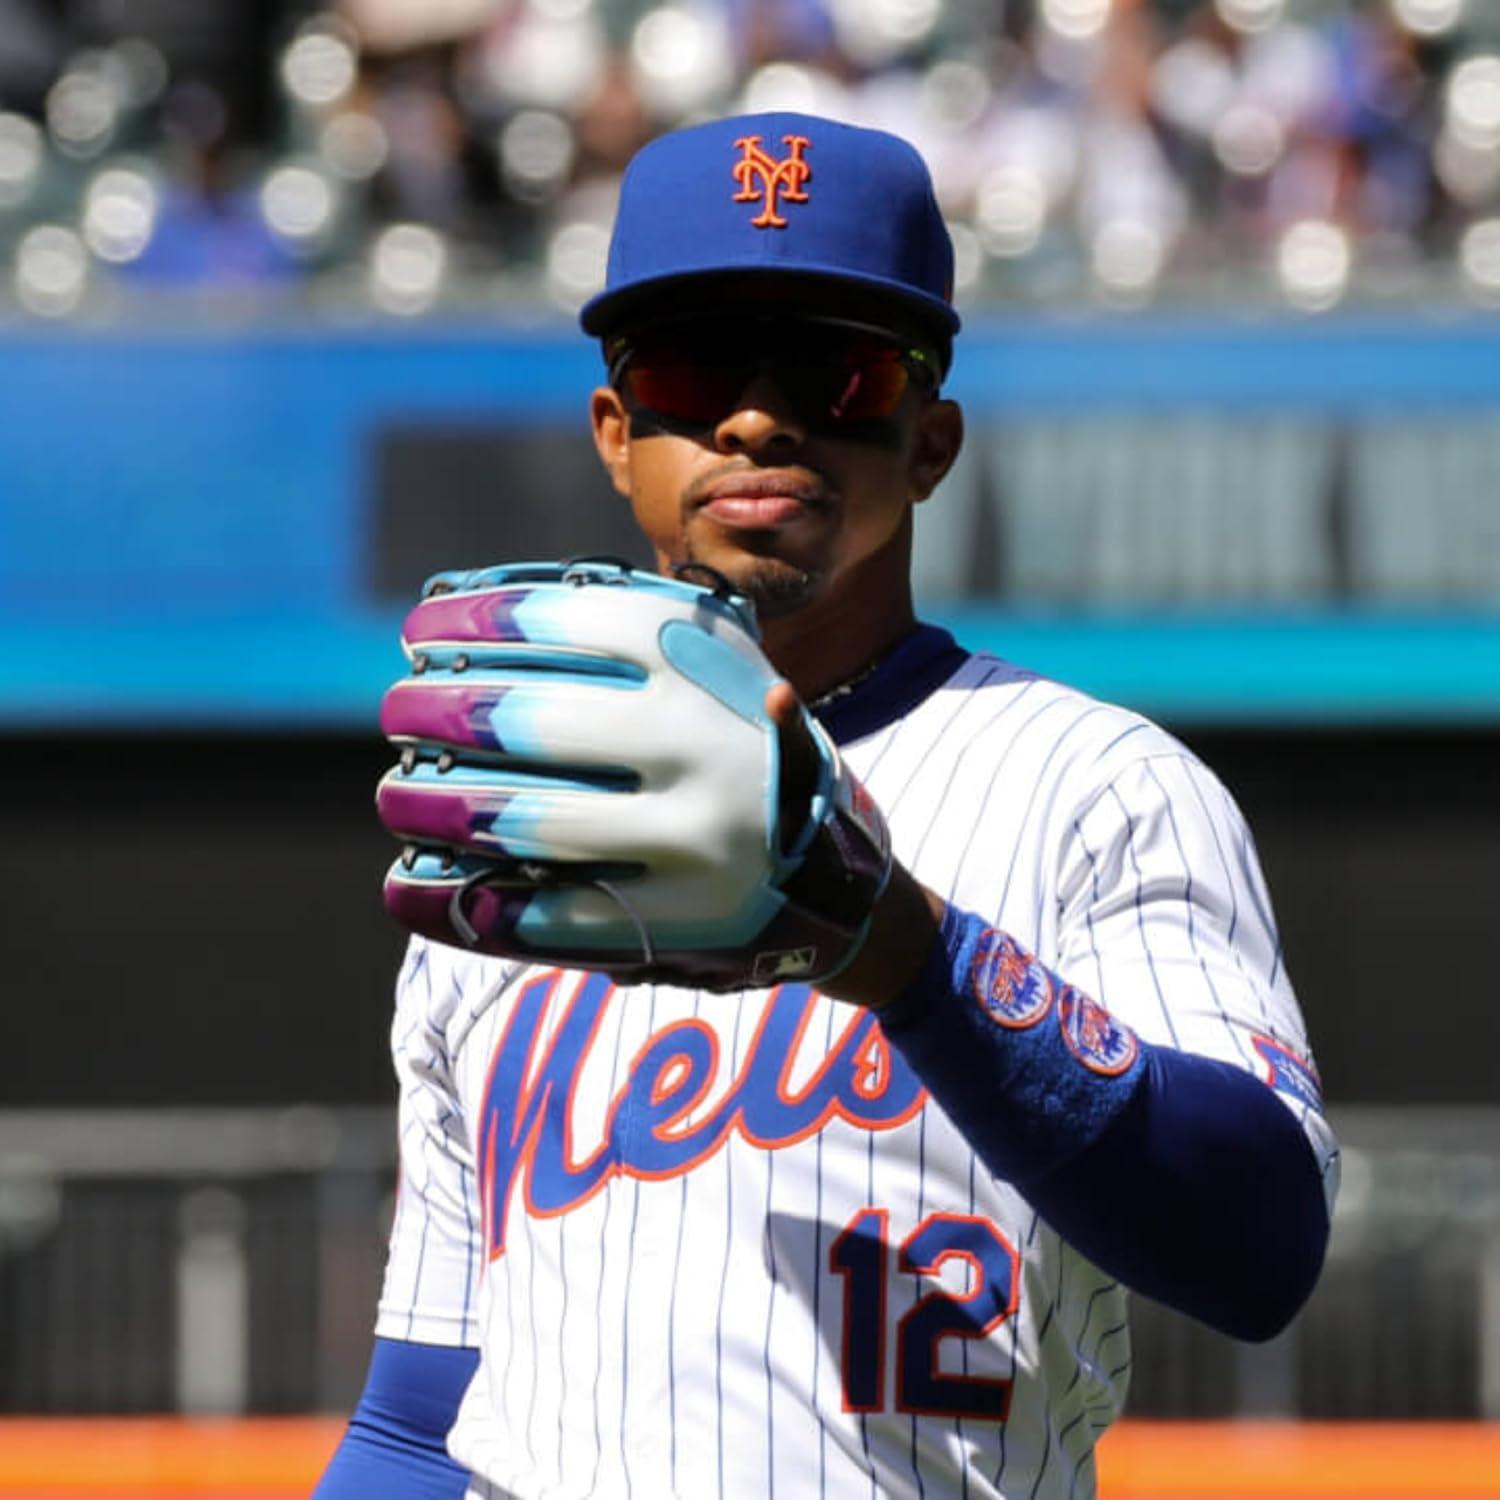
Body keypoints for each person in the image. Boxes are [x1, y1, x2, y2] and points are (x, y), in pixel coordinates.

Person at [316, 111, 1338, 1499]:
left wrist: (909, 956)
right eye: (691, 369)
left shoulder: (1098, 786)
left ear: (931, 440)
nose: (756, 419)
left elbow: (1259, 1245)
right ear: (617, 433)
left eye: (838, 373)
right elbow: (416, 1419)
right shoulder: (514, 826)